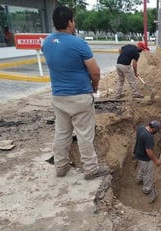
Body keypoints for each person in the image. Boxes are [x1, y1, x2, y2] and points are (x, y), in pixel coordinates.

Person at [42, 6, 110, 180]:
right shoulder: (78, 43)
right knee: (85, 135)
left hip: (58, 97)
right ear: (70, 22)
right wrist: (94, 86)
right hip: (79, 96)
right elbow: (95, 71)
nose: (74, 23)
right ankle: (91, 169)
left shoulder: (47, 43)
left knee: (62, 133)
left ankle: (60, 167)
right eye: (73, 20)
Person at [133, 120, 161, 195]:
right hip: (144, 157)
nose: (156, 132)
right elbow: (149, 151)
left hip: (138, 154)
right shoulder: (148, 136)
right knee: (148, 173)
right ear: (154, 129)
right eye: (157, 130)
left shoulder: (141, 127)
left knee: (142, 168)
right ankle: (147, 189)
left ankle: (139, 180)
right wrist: (156, 161)